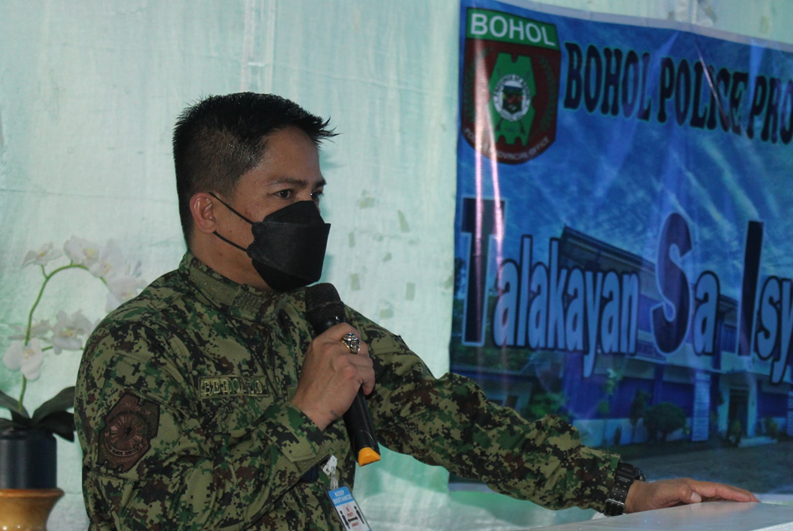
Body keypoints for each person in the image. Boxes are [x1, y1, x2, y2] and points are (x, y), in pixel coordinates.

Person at [74, 92, 757, 530]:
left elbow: (457, 423)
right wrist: (305, 415)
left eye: (315, 193)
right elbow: (152, 514)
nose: (308, 214)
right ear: (209, 210)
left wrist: (623, 490)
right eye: (285, 195)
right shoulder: (140, 342)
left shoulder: (319, 320)